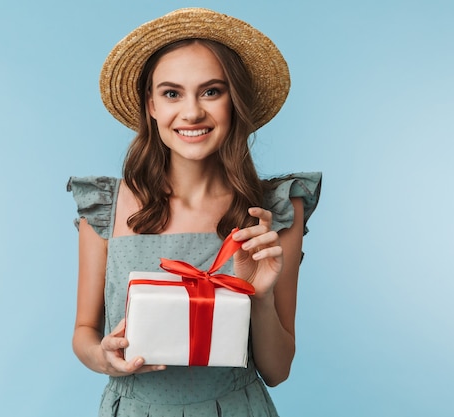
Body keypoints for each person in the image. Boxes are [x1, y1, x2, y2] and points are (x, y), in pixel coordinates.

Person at [67, 8, 322, 416]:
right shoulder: (103, 209)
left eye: (211, 91)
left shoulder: (272, 213)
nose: (191, 113)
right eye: (172, 93)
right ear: (150, 105)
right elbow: (84, 332)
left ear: (233, 101)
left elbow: (277, 370)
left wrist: (260, 295)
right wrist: (103, 357)